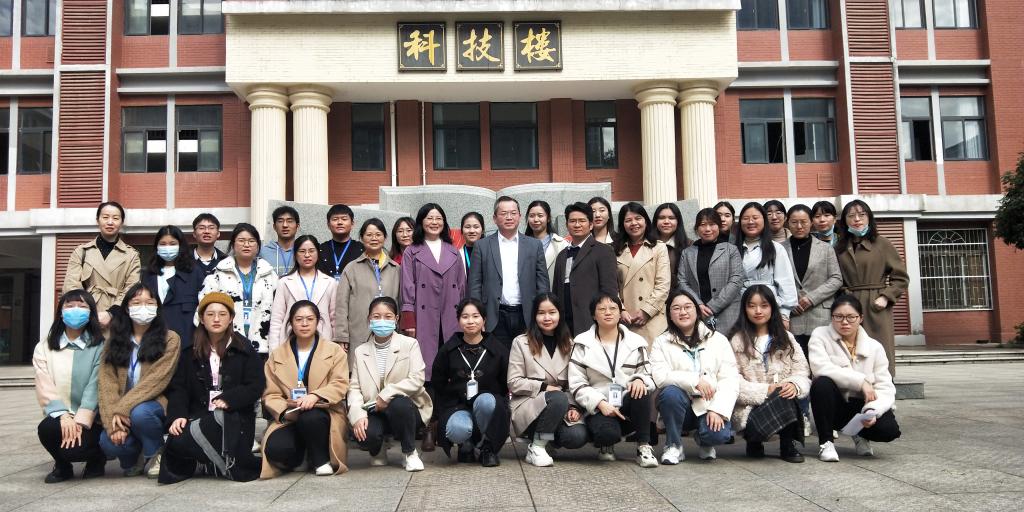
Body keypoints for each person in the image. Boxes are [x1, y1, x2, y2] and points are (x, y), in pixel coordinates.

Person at [159, 293, 265, 483]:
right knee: (176, 440)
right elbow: (178, 389)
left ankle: (213, 462)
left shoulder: (245, 349)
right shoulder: (189, 352)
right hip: (199, 417)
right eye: (210, 314)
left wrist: (230, 399)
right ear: (201, 318)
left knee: (222, 419)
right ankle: (212, 461)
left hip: (234, 419)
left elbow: (256, 385)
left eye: (222, 314)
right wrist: (178, 415)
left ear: (231, 318)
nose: (216, 319)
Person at [99, 283, 181, 477]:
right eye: (136, 302)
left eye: (149, 302)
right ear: (127, 308)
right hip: (121, 409)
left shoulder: (170, 339)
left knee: (140, 413)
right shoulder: (114, 341)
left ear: (157, 308)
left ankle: (157, 453)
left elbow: (156, 380)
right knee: (108, 442)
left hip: (154, 404)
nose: (143, 307)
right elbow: (106, 384)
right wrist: (112, 422)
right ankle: (134, 458)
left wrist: (122, 408)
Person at [261, 300, 349, 478]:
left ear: (318, 322)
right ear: (291, 323)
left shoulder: (334, 351)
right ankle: (301, 454)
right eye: (299, 319)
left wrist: (316, 396)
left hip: (324, 412)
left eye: (310, 319)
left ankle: (321, 460)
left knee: (311, 417)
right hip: (290, 414)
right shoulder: (277, 355)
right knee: (276, 449)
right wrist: (285, 411)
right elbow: (270, 393)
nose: (304, 324)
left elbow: (340, 383)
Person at [808, 295, 901, 462]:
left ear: (861, 318)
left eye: (851, 317)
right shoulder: (820, 335)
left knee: (889, 430)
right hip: (834, 404)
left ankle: (860, 434)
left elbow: (885, 386)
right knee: (821, 383)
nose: (845, 322)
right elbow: (820, 367)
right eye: (839, 316)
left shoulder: (875, 347)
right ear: (832, 317)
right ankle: (826, 443)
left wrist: (872, 411)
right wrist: (861, 382)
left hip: (862, 405)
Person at [569, 293, 658, 467]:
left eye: (613, 308)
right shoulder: (582, 343)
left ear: (620, 313)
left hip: (627, 402)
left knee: (641, 392)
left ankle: (643, 446)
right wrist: (600, 403)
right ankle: (607, 443)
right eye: (602, 309)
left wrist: (640, 380)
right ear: (594, 315)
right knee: (606, 434)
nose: (608, 312)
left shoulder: (636, 342)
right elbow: (576, 383)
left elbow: (648, 375)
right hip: (598, 406)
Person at [650, 290, 738, 463]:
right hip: (679, 404)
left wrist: (718, 410)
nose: (682, 312)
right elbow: (660, 376)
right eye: (676, 308)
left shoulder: (718, 340)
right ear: (669, 315)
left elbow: (730, 379)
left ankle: (705, 441)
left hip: (709, 404)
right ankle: (673, 445)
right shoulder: (661, 342)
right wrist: (695, 381)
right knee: (670, 393)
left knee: (718, 435)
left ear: (697, 311)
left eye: (687, 307)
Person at [348, 297, 432, 472]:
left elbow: (417, 378)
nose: (382, 321)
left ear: (396, 319)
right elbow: (354, 387)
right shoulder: (360, 351)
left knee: (399, 403)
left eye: (388, 316)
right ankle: (378, 448)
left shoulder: (410, 344)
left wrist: (387, 394)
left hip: (407, 409)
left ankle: (409, 452)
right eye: (376, 316)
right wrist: (357, 415)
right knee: (365, 435)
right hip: (374, 409)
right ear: (369, 319)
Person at [728, 285, 809, 463]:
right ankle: (754, 442)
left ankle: (787, 444)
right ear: (744, 309)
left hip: (783, 401)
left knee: (786, 391)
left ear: (772, 307)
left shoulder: (786, 337)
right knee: (779, 392)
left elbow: (802, 370)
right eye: (752, 306)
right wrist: (766, 390)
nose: (758, 311)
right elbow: (731, 380)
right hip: (750, 410)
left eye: (764, 305)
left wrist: (794, 385)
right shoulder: (737, 340)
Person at [33, 290, 106, 483]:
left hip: (91, 419)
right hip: (61, 416)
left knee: (75, 451)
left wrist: (80, 421)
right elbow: (44, 384)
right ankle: (62, 466)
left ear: (91, 313)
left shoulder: (100, 346)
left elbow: (95, 386)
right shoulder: (44, 347)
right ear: (61, 312)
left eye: (82, 306)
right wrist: (64, 416)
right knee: (47, 429)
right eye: (70, 306)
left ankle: (97, 458)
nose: (75, 310)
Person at [508, 293, 588, 467]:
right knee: (557, 398)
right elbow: (514, 382)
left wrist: (573, 407)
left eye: (552, 312)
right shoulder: (521, 343)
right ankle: (537, 446)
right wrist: (544, 387)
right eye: (541, 313)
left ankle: (547, 440)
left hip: (561, 405)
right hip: (529, 405)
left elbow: (575, 382)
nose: (547, 318)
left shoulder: (570, 344)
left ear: (560, 314)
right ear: (534, 316)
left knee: (577, 436)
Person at [431, 299, 510, 467]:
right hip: (458, 406)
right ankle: (466, 443)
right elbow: (439, 383)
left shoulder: (498, 350)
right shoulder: (448, 350)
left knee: (486, 401)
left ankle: (486, 446)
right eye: (465, 316)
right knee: (456, 429)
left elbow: (505, 383)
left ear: (484, 319)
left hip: (487, 407)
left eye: (475, 316)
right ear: (458, 320)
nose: (470, 321)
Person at [835, 200, 909, 377]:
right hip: (849, 304)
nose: (857, 219)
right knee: (850, 349)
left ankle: (885, 387)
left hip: (875, 303)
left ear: (869, 218)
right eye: (851, 216)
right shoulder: (839, 247)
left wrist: (885, 297)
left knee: (880, 348)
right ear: (845, 221)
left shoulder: (882, 244)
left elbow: (901, 277)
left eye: (862, 215)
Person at [469, 196, 549, 348]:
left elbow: (542, 283)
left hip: (527, 315)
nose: (509, 217)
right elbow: (475, 285)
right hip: (495, 316)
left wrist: (543, 313)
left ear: (520, 216)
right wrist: (476, 316)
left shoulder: (534, 245)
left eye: (513, 213)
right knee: (497, 359)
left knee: (528, 357)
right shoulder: (482, 246)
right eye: (504, 213)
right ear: (494, 218)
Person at [400, 204, 466, 382]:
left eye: (438, 218)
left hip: (450, 314)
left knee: (452, 364)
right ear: (421, 222)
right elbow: (407, 285)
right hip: (423, 316)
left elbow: (462, 287)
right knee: (425, 365)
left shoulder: (453, 251)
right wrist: (409, 321)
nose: (434, 222)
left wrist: (464, 316)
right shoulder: (411, 251)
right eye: (429, 218)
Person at [198, 223, 279, 355]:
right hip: (226, 344)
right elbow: (204, 307)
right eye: (241, 240)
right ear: (233, 244)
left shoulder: (269, 274)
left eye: (251, 241)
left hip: (262, 344)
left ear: (258, 245)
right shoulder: (219, 273)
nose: (246, 245)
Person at [63, 201, 142, 329]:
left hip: (118, 317)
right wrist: (88, 311)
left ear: (121, 222)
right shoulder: (81, 252)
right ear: (97, 220)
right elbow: (71, 285)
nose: (110, 222)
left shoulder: (131, 255)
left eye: (115, 218)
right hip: (86, 316)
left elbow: (132, 288)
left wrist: (111, 313)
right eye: (105, 217)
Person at [783, 204, 843, 357]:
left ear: (811, 222)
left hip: (819, 314)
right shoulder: (779, 249)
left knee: (822, 360)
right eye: (794, 222)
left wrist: (812, 298)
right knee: (795, 360)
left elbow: (836, 279)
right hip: (792, 315)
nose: (799, 226)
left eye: (803, 221)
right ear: (787, 223)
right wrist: (790, 301)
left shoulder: (825, 248)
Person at [335, 219, 401, 353]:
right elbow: (341, 305)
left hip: (390, 334)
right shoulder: (351, 268)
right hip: (359, 334)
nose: (374, 238)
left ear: (385, 237)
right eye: (369, 235)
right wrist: (342, 336)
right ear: (361, 238)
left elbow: (402, 301)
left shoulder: (396, 269)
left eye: (378, 234)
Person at [553, 202, 618, 336]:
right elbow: (556, 291)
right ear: (566, 225)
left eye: (582, 221)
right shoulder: (561, 255)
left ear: (591, 225)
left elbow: (609, 290)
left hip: (591, 322)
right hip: (565, 325)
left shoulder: (603, 251)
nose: (577, 225)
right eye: (572, 221)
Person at [677, 208, 745, 335]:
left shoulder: (731, 250)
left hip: (729, 311)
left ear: (719, 226)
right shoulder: (687, 253)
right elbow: (682, 281)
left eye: (712, 224)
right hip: (698, 312)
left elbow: (736, 280)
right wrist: (698, 304)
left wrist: (712, 306)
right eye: (703, 225)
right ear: (696, 228)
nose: (707, 229)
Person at [613, 202, 670, 343]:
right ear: (622, 224)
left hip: (652, 317)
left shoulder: (659, 247)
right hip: (625, 319)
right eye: (628, 220)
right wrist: (620, 310)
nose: (634, 223)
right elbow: (612, 285)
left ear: (646, 221)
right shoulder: (615, 250)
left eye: (638, 218)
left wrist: (646, 311)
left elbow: (663, 285)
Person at [268, 235, 337, 352]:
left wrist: (336, 348)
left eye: (311, 251)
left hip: (323, 341)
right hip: (290, 340)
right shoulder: (284, 282)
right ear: (295, 254)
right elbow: (276, 319)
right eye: (302, 251)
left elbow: (334, 318)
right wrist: (274, 351)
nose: (307, 255)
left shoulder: (330, 282)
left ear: (318, 253)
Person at [142, 225, 205, 351]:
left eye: (172, 243)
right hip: (154, 341)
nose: (167, 248)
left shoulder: (194, 272)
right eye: (163, 244)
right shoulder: (148, 274)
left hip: (187, 344)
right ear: (156, 247)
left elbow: (203, 307)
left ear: (180, 245)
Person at [735, 202, 798, 325]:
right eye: (746, 218)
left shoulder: (776, 248)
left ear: (764, 220)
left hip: (769, 306)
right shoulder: (732, 249)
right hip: (740, 308)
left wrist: (785, 314)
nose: (750, 222)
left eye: (755, 218)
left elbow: (786, 282)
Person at [524, 200, 569, 285]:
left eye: (540, 216)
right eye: (532, 216)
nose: (536, 219)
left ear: (548, 218)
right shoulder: (521, 244)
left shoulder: (561, 244)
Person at [318, 204, 365, 281]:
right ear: (328, 225)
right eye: (335, 219)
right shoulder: (320, 250)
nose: (340, 222)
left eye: (344, 219)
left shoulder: (362, 250)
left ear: (352, 224)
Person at [652, 202, 689, 290]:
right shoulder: (647, 244)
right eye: (661, 218)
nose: (666, 222)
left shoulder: (689, 245)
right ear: (656, 221)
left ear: (678, 221)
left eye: (671, 218)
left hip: (678, 294)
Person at [260, 205, 301, 277]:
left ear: (297, 226)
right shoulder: (263, 252)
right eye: (280, 221)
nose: (285, 225)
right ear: (274, 227)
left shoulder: (304, 251)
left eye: (289, 221)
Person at [458, 211, 485, 277]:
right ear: (461, 231)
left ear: (482, 230)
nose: (472, 231)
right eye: (467, 227)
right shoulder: (457, 255)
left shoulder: (490, 251)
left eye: (476, 227)